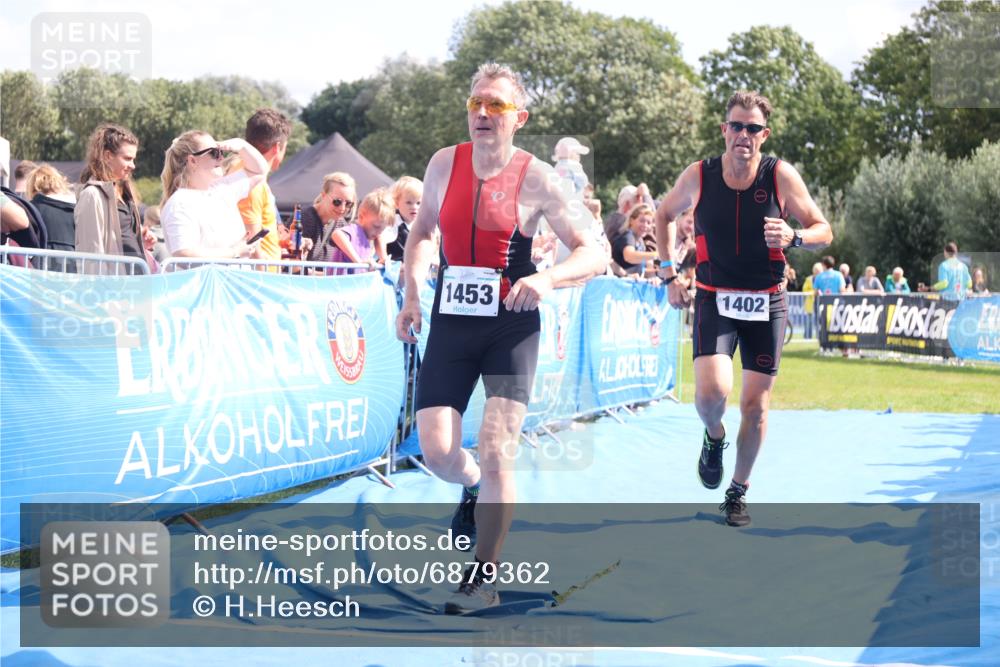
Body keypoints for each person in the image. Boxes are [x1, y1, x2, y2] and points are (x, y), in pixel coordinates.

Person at [395, 62, 605, 613]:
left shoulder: (540, 178)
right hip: (451, 321)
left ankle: (483, 578)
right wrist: (414, 293)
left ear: (520, 117)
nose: (483, 114)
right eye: (476, 104)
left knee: (496, 449)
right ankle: (468, 487)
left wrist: (546, 277)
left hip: (512, 324)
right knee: (439, 451)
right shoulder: (444, 163)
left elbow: (594, 250)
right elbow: (421, 232)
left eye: (496, 106)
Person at [654, 90, 832, 527]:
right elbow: (662, 214)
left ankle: (737, 491)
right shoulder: (700, 175)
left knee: (756, 406)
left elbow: (823, 229)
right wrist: (666, 274)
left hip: (767, 300)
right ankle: (714, 436)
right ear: (724, 130)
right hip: (715, 295)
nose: (744, 135)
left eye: (753, 129)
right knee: (711, 395)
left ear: (764, 135)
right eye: (736, 126)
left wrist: (794, 238)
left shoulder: (780, 176)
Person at [159, 130, 269, 258]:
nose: (221, 157)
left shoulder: (222, 189)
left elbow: (260, 171)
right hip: (206, 278)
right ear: (192, 161)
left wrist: (242, 146)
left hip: (231, 276)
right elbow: (184, 254)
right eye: (214, 152)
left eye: (221, 151)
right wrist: (235, 252)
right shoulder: (179, 203)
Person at [74, 124, 148, 273]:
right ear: (108, 156)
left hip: (136, 281)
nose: (132, 165)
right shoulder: (92, 195)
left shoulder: (125, 192)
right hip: (114, 287)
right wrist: (101, 290)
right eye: (127, 158)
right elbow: (91, 252)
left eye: (133, 159)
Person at [231, 108, 292, 265]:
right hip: (259, 280)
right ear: (277, 147)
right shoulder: (252, 181)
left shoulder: (242, 170)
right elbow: (252, 238)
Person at [328, 187, 394, 271]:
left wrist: (383, 258)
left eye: (382, 229)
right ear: (361, 216)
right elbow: (337, 234)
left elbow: (379, 237)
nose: (378, 233)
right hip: (338, 281)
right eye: (376, 226)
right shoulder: (355, 231)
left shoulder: (370, 236)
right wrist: (358, 262)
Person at [302, 172, 356, 262]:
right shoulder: (305, 218)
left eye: (348, 203)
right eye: (337, 202)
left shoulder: (341, 224)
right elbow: (292, 265)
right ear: (324, 195)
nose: (342, 208)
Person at [26, 164, 76, 252]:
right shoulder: (76, 209)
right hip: (73, 262)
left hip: (40, 263)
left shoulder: (30, 209)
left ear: (33, 187)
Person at [611, 204, 659, 281]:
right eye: (642, 221)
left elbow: (642, 267)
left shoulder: (640, 241)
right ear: (631, 221)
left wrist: (655, 276)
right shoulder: (628, 236)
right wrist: (657, 254)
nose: (645, 225)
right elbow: (629, 257)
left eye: (649, 223)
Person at [385, 176, 422, 262]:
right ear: (396, 203)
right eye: (409, 203)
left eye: (418, 203)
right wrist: (384, 258)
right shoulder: (393, 222)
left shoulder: (419, 226)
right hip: (395, 269)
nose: (414, 207)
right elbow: (380, 239)